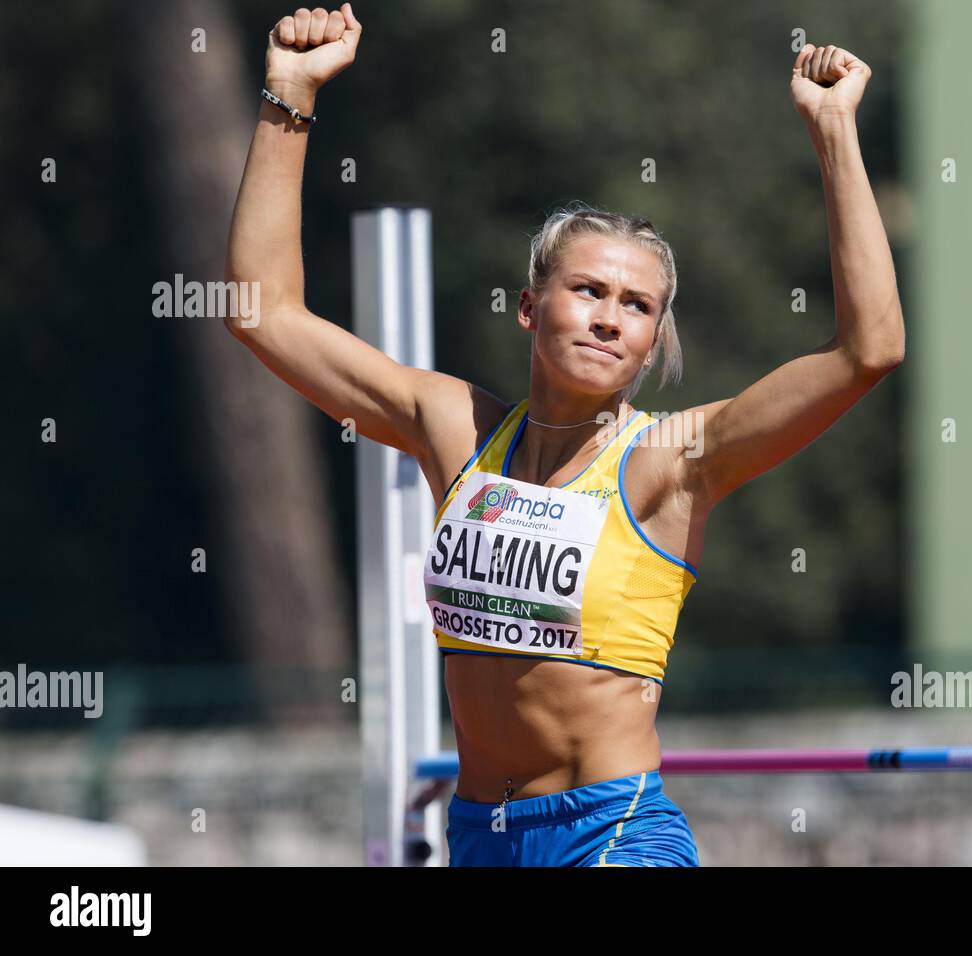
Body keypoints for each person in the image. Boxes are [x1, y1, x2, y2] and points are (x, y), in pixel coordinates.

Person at [225, 4, 904, 866]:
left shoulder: (669, 464)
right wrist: (289, 95)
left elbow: (869, 350)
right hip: (480, 835)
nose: (611, 319)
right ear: (527, 306)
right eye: (588, 290)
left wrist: (834, 132)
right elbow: (261, 312)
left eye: (638, 307)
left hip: (613, 835)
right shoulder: (456, 430)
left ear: (655, 338)